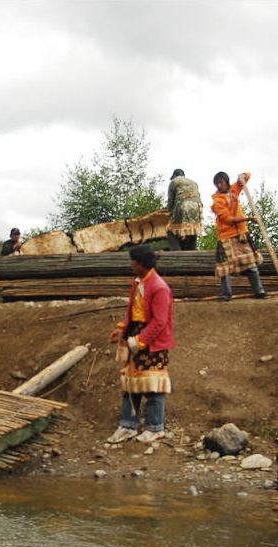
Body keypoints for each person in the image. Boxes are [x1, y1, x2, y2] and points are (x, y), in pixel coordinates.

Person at [106, 244, 175, 444]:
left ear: (141, 263)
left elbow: (159, 322)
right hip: (136, 335)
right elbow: (132, 311)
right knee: (131, 382)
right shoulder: (137, 283)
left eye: (133, 261)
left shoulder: (160, 288)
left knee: (153, 384)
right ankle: (128, 425)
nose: (131, 264)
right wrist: (122, 328)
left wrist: (138, 341)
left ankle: (155, 427)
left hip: (153, 341)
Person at [211, 171, 266, 301]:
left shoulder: (234, 190)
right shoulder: (217, 202)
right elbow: (227, 219)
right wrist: (247, 219)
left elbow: (248, 175)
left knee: (251, 263)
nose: (219, 185)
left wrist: (242, 177)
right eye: (217, 183)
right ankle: (225, 295)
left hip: (241, 234)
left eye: (221, 182)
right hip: (226, 236)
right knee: (226, 268)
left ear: (226, 181)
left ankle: (259, 290)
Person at [166, 169, 203, 251]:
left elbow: (171, 201)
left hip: (182, 206)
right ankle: (192, 250)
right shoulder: (193, 182)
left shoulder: (173, 182)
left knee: (171, 230)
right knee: (193, 229)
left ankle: (177, 253)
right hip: (197, 207)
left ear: (174, 175)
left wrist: (169, 213)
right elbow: (198, 196)